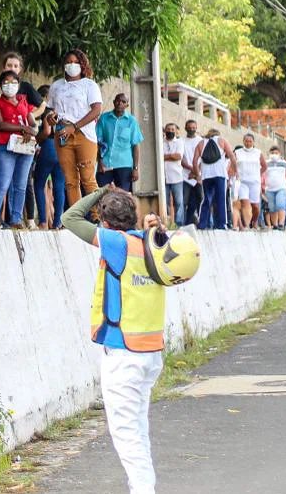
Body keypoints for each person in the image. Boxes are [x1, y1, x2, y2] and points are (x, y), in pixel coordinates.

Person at [64, 185, 199, 494]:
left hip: (124, 353)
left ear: (105, 222)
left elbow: (70, 218)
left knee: (127, 435)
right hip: (150, 353)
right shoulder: (149, 244)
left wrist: (98, 191)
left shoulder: (114, 243)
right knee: (137, 429)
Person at [48, 49, 102, 205]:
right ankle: (75, 220)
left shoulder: (89, 85)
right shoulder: (56, 86)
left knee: (88, 179)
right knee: (70, 181)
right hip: (62, 134)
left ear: (82, 65)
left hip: (84, 135)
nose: (72, 65)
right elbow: (51, 110)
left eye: (76, 62)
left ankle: (98, 217)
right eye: (69, 62)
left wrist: (75, 127)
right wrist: (51, 117)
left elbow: (96, 110)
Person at [0, 70, 36, 229]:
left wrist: (31, 130)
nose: (9, 86)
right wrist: (23, 128)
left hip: (24, 147)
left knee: (20, 185)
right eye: (5, 83)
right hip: (4, 147)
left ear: (19, 85)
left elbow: (32, 123)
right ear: (0, 85)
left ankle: (16, 219)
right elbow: (0, 124)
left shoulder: (23, 101)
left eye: (13, 82)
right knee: (3, 184)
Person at [96, 93, 143, 192]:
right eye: (118, 101)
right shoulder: (104, 118)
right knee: (100, 195)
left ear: (127, 105)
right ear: (114, 102)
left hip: (124, 165)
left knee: (122, 197)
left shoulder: (132, 121)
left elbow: (135, 146)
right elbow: (98, 142)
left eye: (123, 102)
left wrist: (135, 168)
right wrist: (100, 162)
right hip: (105, 165)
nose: (120, 103)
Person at [34, 84, 66, 230]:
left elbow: (46, 132)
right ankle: (58, 222)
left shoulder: (47, 111)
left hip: (48, 147)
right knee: (59, 186)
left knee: (39, 184)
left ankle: (42, 221)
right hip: (62, 148)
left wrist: (35, 140)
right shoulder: (64, 111)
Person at [192, 129, 237, 231]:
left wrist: (198, 175)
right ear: (218, 134)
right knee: (220, 200)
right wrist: (235, 170)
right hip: (220, 174)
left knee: (206, 200)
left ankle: (202, 224)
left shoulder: (201, 143)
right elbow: (232, 156)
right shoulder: (222, 141)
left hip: (206, 176)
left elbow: (194, 161)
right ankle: (220, 224)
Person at [233, 134, 266, 229]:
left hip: (254, 182)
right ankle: (247, 225)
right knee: (244, 202)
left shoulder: (258, 152)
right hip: (242, 182)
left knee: (255, 205)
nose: (248, 143)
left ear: (253, 142)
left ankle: (254, 221)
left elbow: (264, 166)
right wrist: (235, 173)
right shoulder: (238, 152)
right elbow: (232, 164)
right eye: (246, 141)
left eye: (250, 141)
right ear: (243, 141)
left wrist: (257, 174)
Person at [263, 146, 286, 231]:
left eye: (276, 153)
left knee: (280, 205)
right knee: (272, 208)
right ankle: (275, 225)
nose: (274, 155)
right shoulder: (266, 163)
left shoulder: (284, 163)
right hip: (270, 189)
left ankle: (281, 224)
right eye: (272, 153)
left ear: (279, 154)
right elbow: (262, 174)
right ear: (269, 154)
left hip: (281, 187)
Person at [162, 123, 185, 227]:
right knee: (164, 201)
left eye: (172, 129)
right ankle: (166, 223)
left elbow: (178, 156)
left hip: (177, 176)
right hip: (164, 177)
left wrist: (166, 156)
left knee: (179, 202)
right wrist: (171, 156)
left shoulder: (180, 142)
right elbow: (159, 156)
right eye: (168, 129)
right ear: (165, 131)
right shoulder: (161, 142)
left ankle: (179, 223)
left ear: (176, 131)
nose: (170, 131)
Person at [181, 120, 203, 226]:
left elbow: (203, 158)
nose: (192, 129)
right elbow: (180, 158)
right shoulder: (181, 140)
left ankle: (202, 222)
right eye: (189, 127)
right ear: (185, 128)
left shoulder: (201, 141)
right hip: (185, 176)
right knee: (184, 201)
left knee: (200, 199)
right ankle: (184, 223)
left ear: (196, 128)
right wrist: (191, 169)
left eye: (194, 127)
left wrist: (196, 172)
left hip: (198, 176)